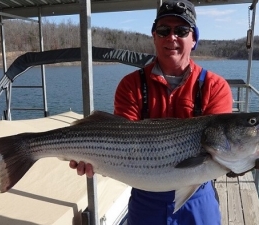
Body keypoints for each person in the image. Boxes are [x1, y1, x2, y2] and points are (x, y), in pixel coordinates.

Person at [70, 0, 233, 224]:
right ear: (154, 37)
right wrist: (93, 157)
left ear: (193, 38)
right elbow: (120, 141)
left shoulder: (215, 86)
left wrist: (248, 157)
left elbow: (225, 150)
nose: (171, 37)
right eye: (163, 30)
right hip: (146, 197)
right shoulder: (131, 85)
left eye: (182, 31)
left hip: (198, 196)